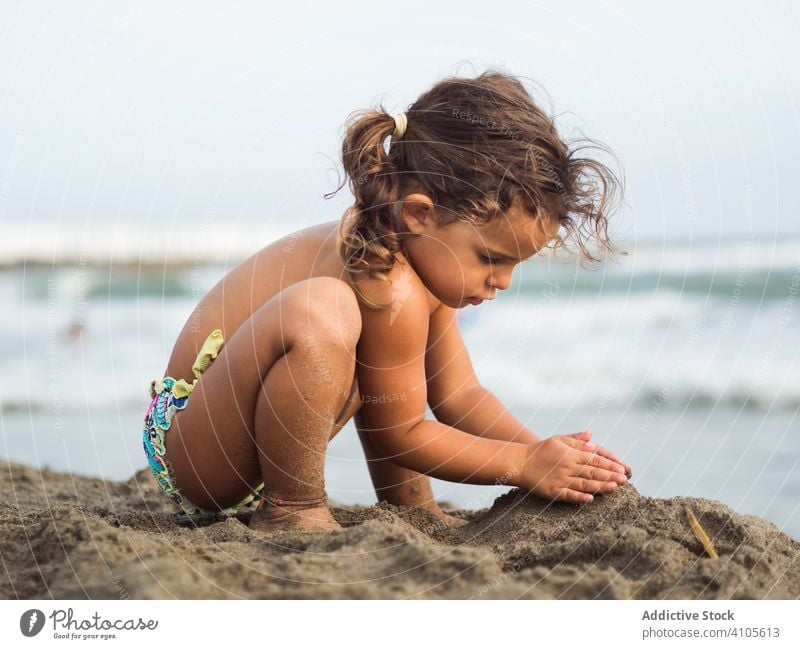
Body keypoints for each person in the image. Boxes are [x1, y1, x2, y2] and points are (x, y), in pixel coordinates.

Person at [142, 69, 632, 532]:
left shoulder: (422, 268)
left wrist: (547, 454)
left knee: (383, 368)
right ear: (421, 214)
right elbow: (404, 433)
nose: (501, 281)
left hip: (233, 448)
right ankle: (293, 508)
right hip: (196, 448)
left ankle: (410, 505)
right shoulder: (387, 276)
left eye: (514, 266)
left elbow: (459, 397)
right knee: (324, 311)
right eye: (489, 257)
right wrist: (523, 465)